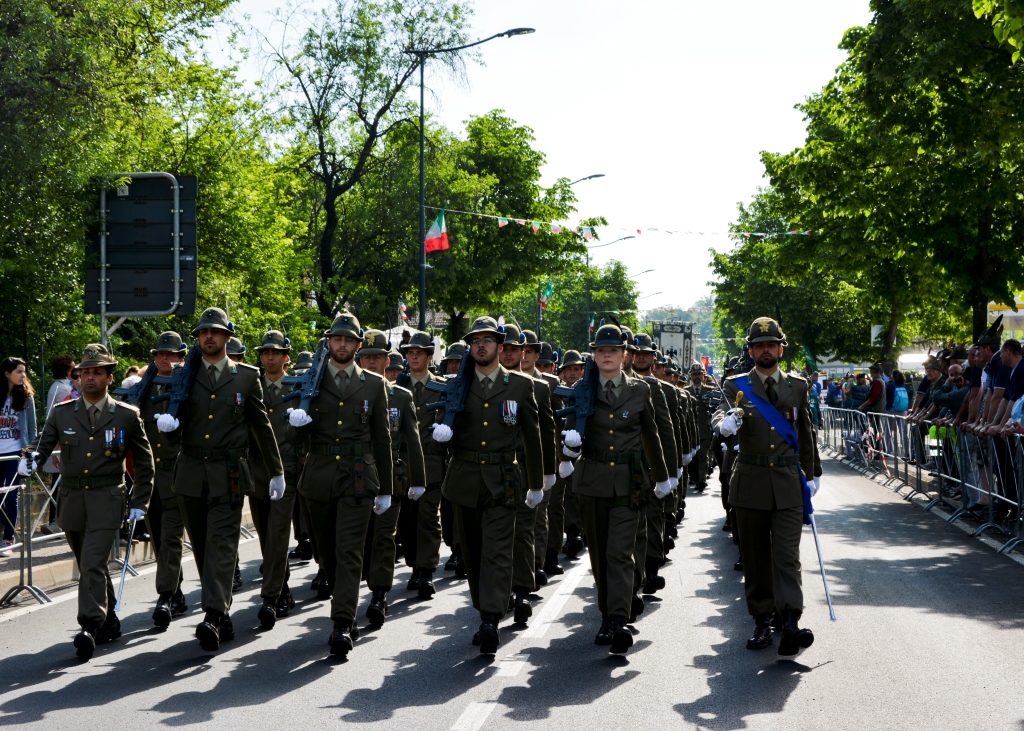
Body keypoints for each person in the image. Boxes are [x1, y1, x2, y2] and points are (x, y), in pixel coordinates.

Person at [156, 307, 285, 652]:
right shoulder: (185, 375)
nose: (208, 337)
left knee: (222, 545)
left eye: (214, 332)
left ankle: (213, 614)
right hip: (191, 473)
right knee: (201, 546)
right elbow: (173, 423)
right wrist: (168, 431)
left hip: (229, 474)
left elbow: (261, 426)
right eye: (202, 332)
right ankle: (224, 615)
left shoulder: (245, 377)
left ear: (227, 337)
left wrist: (276, 471)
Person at [21, 344, 153, 658]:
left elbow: (146, 463)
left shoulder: (126, 416)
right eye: (85, 373)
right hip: (72, 499)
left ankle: (89, 625)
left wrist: (140, 501)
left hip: (108, 497)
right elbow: (43, 447)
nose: (89, 378)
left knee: (93, 563)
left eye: (97, 372)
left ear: (109, 377)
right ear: (78, 377)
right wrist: (30, 460)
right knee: (88, 563)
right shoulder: (62, 412)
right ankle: (109, 621)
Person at [432, 316, 544, 654]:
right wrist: (440, 435)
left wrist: (537, 483)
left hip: (503, 482)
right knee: (474, 552)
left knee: (497, 551)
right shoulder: (455, 385)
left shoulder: (520, 386)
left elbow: (533, 437)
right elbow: (442, 432)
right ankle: (485, 609)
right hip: (464, 478)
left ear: (499, 346)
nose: (481, 345)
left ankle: (490, 619)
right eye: (476, 341)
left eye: (488, 340)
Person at [284, 312, 393, 657]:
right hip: (317, 477)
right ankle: (342, 602)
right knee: (325, 552)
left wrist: (387, 487)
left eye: (349, 340)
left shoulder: (374, 385)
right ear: (329, 342)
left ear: (358, 346)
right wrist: (297, 424)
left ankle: (342, 624)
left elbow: (382, 439)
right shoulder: (310, 380)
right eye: (337, 339)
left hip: (358, 476)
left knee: (349, 551)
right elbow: (292, 438)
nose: (342, 345)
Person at [559, 323, 670, 654]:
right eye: (601, 351)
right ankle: (607, 611)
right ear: (594, 355)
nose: (606, 356)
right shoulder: (582, 389)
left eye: (613, 351)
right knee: (599, 556)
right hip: (591, 483)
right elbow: (568, 431)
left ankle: (618, 621)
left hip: (629, 484)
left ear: (625, 355)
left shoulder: (640, 391)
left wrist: (663, 477)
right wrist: (567, 451)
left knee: (620, 553)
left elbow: (651, 436)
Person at [713, 317, 817, 657]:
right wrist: (724, 426)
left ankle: (789, 621)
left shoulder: (798, 387)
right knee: (756, 559)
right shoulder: (735, 386)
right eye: (759, 345)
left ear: (780, 349)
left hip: (787, 484)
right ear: (751, 351)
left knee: (787, 557)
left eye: (771, 344)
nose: (766, 349)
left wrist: (812, 473)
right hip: (751, 483)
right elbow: (719, 414)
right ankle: (762, 618)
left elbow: (805, 432)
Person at [358, 329, 425, 625]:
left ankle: (379, 595)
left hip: (390, 477)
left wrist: (418, 479)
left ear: (388, 361)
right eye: (366, 358)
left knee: (384, 537)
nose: (371, 363)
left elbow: (413, 441)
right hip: (355, 477)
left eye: (377, 358)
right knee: (359, 539)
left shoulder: (401, 396)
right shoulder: (349, 394)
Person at [495, 324, 556, 622]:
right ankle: (499, 591)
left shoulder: (539, 387)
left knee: (523, 532)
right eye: (502, 347)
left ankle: (521, 591)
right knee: (495, 536)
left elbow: (545, 434)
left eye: (512, 348)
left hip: (524, 470)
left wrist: (546, 474)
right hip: (494, 472)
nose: (507, 353)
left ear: (523, 352)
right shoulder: (486, 385)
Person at [250, 330, 302, 629]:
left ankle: (270, 597)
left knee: (279, 533)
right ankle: (281, 587)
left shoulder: (297, 387)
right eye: (265, 353)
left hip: (288, 470)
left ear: (286, 358)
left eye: (275, 352)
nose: (269, 357)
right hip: (257, 472)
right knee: (265, 535)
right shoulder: (252, 387)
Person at [139, 332, 189, 628]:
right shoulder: (144, 389)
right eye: (160, 354)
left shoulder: (188, 388)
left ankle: (166, 596)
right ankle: (177, 590)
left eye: (171, 355)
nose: (165, 359)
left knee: (171, 537)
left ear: (182, 358)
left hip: (176, 473)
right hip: (148, 477)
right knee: (158, 538)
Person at [396, 330, 445, 599]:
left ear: (429, 356)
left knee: (427, 518)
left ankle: (426, 571)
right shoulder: (397, 388)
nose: (414, 357)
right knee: (407, 521)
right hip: (402, 463)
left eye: (419, 353)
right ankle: (415, 565)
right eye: (410, 353)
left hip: (431, 461)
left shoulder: (440, 386)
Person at [1, 357, 37, 556]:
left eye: (24, 371)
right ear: (7, 373)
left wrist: (29, 454)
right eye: (19, 371)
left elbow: (32, 429)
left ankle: (8, 539)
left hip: (16, 453)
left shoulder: (26, 397)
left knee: (11, 496)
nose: (23, 375)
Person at [38, 354, 76, 534]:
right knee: (59, 484)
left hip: (59, 440)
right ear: (69, 370)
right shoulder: (63, 389)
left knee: (58, 482)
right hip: (61, 440)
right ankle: (56, 520)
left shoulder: (58, 386)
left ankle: (57, 520)